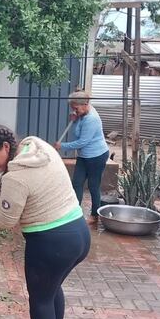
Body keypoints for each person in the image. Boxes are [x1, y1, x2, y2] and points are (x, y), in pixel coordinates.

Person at [0, 124, 90, 319]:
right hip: (79, 233)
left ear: (5, 147)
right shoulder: (37, 145)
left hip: (51, 245)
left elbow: (6, 220)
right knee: (51, 290)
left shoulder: (15, 177)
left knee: (41, 301)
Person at [54, 90, 110, 224]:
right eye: (72, 108)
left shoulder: (92, 119)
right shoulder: (83, 114)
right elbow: (78, 131)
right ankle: (75, 213)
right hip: (84, 156)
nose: (74, 111)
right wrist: (75, 119)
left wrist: (62, 146)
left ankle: (95, 215)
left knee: (93, 186)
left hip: (97, 156)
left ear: (85, 104)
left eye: (75, 108)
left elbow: (82, 142)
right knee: (77, 183)